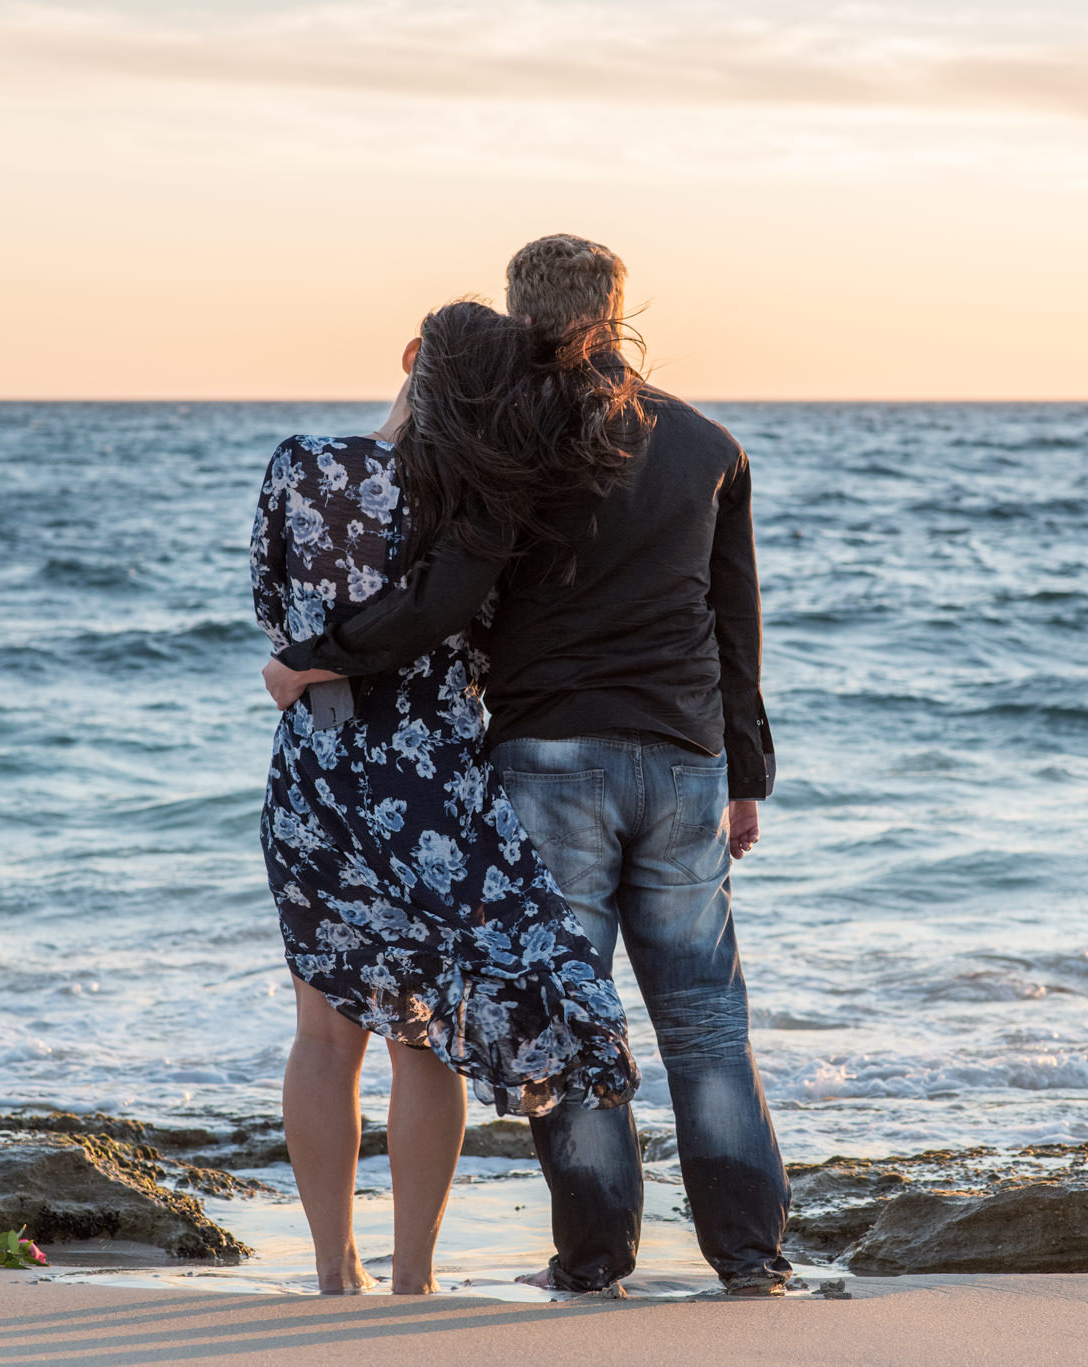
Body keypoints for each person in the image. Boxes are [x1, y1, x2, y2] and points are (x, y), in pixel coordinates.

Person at [263, 234, 792, 1296]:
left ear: (516, 311)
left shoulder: (512, 438)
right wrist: (747, 774)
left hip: (549, 757)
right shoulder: (708, 443)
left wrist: (322, 657)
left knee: (571, 999)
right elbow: (735, 625)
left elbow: (449, 596)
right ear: (618, 305)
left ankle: (595, 1255)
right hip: (685, 756)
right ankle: (748, 1255)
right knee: (705, 1021)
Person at [251, 299, 643, 1296]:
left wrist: (308, 660)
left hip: (318, 771)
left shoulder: (302, 465)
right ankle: (413, 1274)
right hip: (435, 787)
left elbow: (269, 600)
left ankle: (331, 1270)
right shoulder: (482, 506)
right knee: (425, 1036)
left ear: (409, 358)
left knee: (320, 1034)